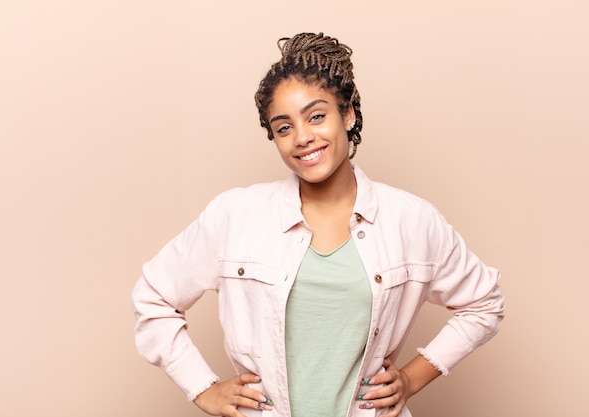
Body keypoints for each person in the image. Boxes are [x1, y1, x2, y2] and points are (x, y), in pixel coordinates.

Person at [132, 32, 504, 417]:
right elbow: (153, 298)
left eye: (316, 116)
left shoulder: (411, 220)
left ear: (348, 114)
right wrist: (203, 388)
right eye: (284, 127)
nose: (303, 137)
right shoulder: (235, 215)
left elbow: (484, 303)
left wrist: (412, 378)